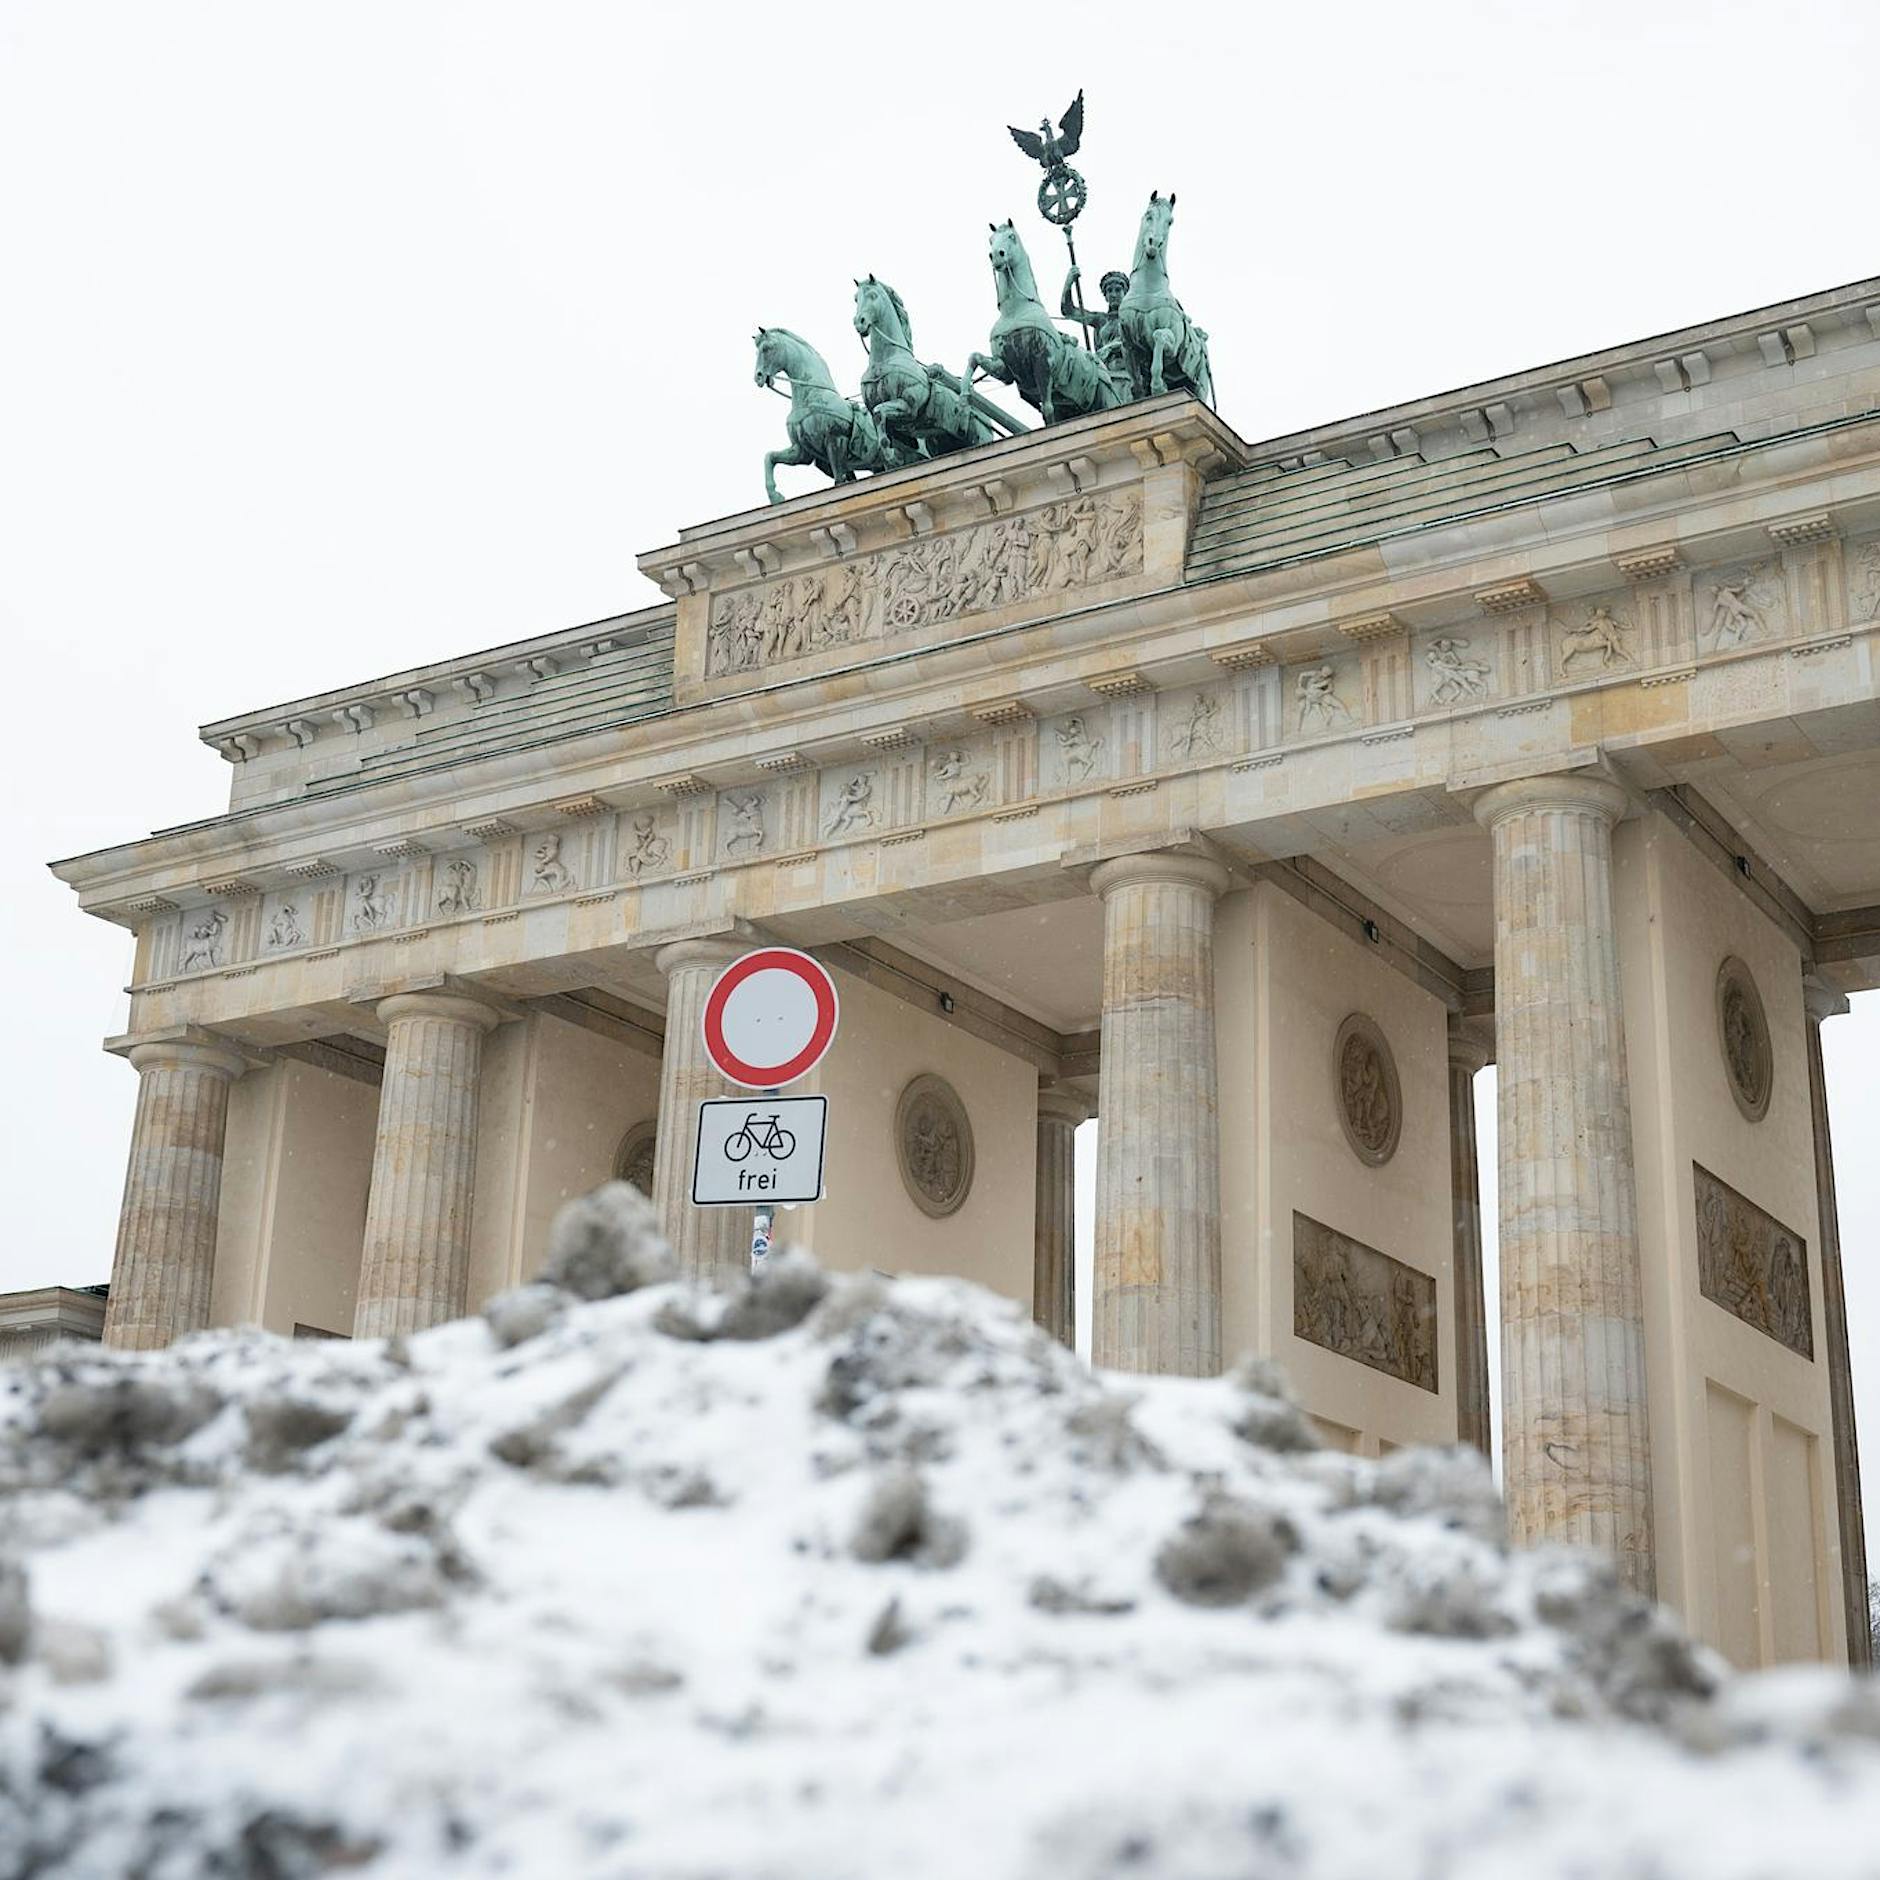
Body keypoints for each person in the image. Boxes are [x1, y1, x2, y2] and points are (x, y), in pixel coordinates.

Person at [1061, 266, 1134, 397]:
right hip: (1104, 371)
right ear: (1105, 296)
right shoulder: (1100, 319)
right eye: (1109, 291)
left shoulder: (1132, 317)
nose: (1113, 294)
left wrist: (1113, 346)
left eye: (1118, 290)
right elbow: (1068, 311)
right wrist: (1069, 282)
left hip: (1127, 371)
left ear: (1125, 293)